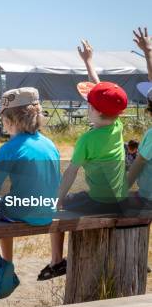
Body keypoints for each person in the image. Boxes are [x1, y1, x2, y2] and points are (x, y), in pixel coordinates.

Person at [38, 40, 128, 281]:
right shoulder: (117, 125)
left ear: (95, 111)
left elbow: (70, 173)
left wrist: (57, 200)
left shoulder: (87, 140)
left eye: (89, 105)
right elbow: (105, 93)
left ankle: (57, 261)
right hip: (120, 198)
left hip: (99, 202)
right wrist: (88, 62)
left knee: (57, 207)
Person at [0, 87, 60, 298]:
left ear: (11, 120)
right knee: (4, 204)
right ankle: (5, 262)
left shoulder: (10, 148)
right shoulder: (50, 144)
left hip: (24, 212)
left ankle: (1, 262)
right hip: (48, 211)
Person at [127, 27, 152, 205]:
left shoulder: (151, 135)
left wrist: (121, 191)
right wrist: (148, 52)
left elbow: (137, 165)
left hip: (148, 198)